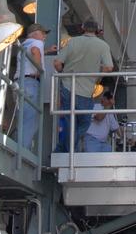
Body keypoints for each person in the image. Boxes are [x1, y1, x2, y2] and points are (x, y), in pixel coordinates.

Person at [55, 18, 114, 151]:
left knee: (70, 121)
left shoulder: (72, 42)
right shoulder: (103, 45)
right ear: (97, 31)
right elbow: (109, 67)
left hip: (68, 85)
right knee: (84, 122)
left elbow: (57, 63)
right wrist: (97, 78)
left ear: (82, 28)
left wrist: (63, 74)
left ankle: (63, 149)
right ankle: (65, 149)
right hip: (87, 88)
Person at [19, 22, 48, 152]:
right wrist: (39, 69)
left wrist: (46, 52)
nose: (44, 37)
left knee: (24, 117)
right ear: (36, 34)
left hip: (21, 81)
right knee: (32, 119)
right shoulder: (37, 43)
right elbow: (35, 51)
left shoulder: (25, 44)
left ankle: (20, 146)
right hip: (31, 82)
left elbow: (31, 52)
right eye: (43, 34)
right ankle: (23, 150)